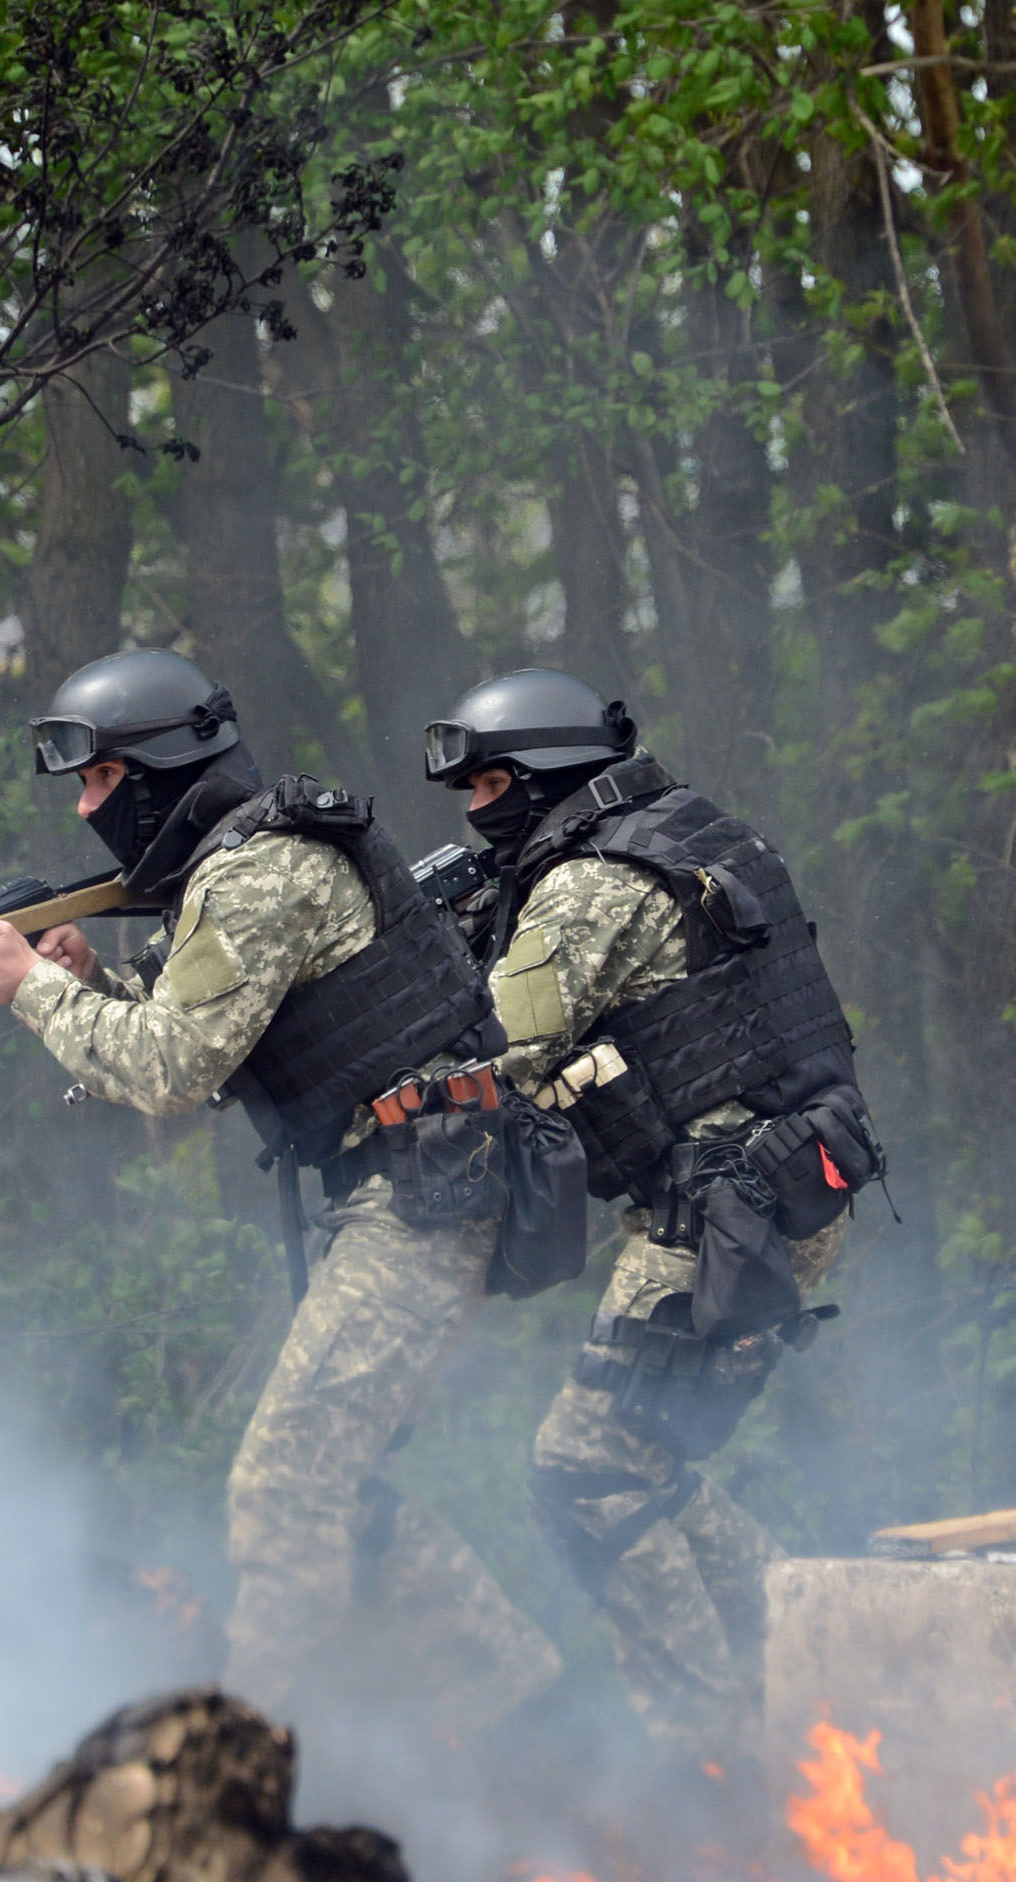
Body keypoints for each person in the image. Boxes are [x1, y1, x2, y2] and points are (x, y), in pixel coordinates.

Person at [0, 646, 560, 1732]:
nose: (83, 809)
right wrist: (80, 984)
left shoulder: (258, 869)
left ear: (161, 767)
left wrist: (26, 985)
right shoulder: (242, 860)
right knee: (332, 1485)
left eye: (98, 780)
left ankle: (236, 1769)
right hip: (417, 1183)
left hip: (427, 1191)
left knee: (287, 1488)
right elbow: (203, 1037)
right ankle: (517, 1699)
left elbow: (172, 1071)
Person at [422, 669, 883, 1760]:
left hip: (725, 1212)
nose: (477, 805)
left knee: (586, 1467)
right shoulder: (693, 832)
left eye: (492, 778)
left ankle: (706, 1758)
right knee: (641, 1458)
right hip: (777, 1188)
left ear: (545, 775)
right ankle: (816, 1664)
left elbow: (495, 1049)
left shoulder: (589, 885)